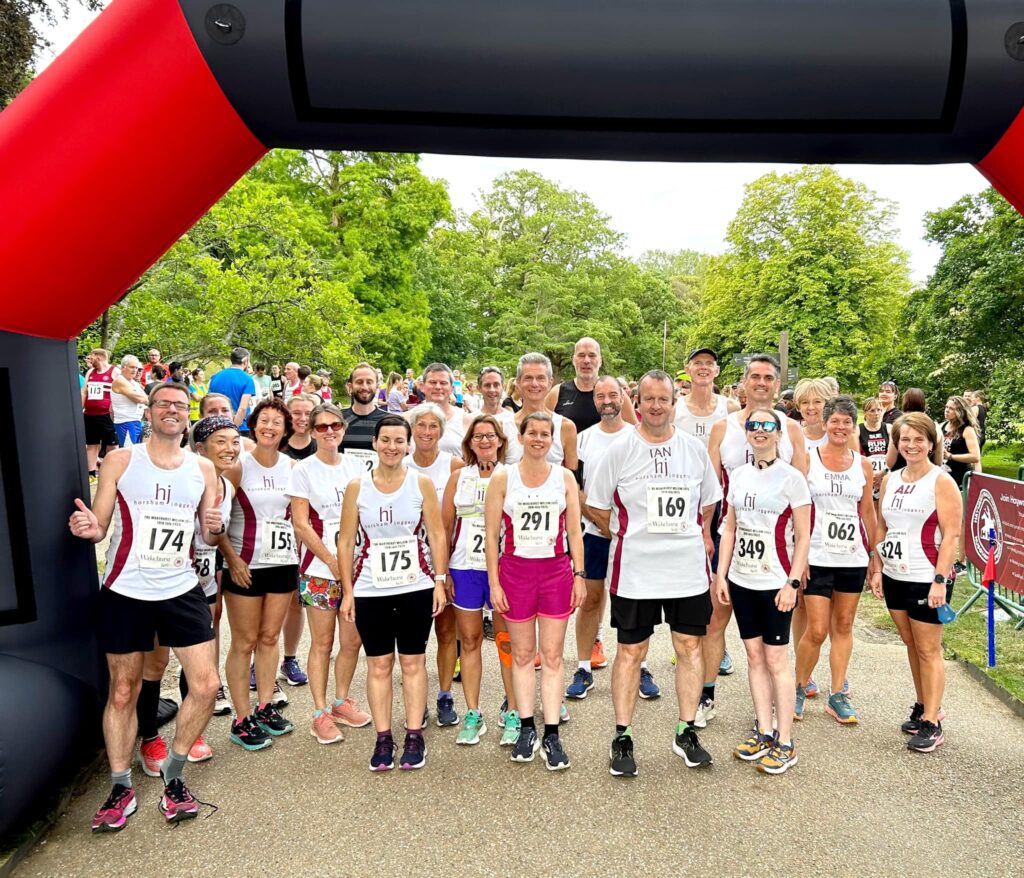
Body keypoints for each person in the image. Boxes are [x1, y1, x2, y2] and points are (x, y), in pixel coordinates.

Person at [68, 382, 223, 831]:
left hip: (181, 587)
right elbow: (99, 527)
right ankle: (120, 786)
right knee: (123, 690)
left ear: (187, 415)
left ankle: (174, 775)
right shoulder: (120, 459)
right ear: (149, 411)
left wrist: (213, 528)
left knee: (207, 684)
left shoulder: (203, 469)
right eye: (163, 404)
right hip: (126, 589)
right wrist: (87, 527)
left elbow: (207, 537)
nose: (172, 411)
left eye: (179, 405)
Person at [585, 371, 721, 776]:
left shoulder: (693, 449)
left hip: (686, 570)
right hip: (636, 570)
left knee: (690, 649)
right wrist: (626, 533)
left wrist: (697, 534)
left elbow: (709, 501)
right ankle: (623, 736)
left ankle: (686, 729)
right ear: (637, 402)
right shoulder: (620, 449)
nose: (657, 406)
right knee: (631, 652)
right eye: (649, 399)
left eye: (664, 399)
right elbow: (595, 505)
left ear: (673, 403)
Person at [338, 416, 449, 771]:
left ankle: (414, 734)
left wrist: (440, 580)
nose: (391, 447)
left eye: (399, 441)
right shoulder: (357, 486)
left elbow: (437, 534)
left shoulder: (421, 483)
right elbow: (345, 541)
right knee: (379, 663)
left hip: (416, 585)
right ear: (374, 443)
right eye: (385, 440)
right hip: (371, 588)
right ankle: (383, 737)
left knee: (413, 662)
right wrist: (348, 591)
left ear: (408, 445)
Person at [707, 354, 808, 719]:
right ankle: (707, 693)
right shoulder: (724, 428)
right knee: (717, 621)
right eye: (755, 377)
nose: (762, 383)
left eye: (769, 377)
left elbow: (800, 498)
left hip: (778, 550)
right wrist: (708, 538)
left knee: (773, 642)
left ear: (777, 385)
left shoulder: (791, 430)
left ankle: (774, 720)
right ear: (744, 382)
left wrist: (799, 566)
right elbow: (711, 491)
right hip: (731, 538)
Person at [486, 412, 585, 770]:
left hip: (556, 571)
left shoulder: (564, 477)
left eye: (546, 434)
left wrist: (579, 574)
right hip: (516, 573)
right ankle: (527, 726)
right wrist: (494, 582)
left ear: (552, 439)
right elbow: (492, 536)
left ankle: (553, 733)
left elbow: (574, 532)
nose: (539, 439)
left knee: (554, 657)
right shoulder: (503, 477)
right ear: (521, 435)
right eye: (533, 433)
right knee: (523, 655)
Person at [715, 406, 810, 774]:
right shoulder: (738, 475)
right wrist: (722, 575)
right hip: (742, 580)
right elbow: (730, 529)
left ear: (779, 433)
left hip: (776, 583)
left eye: (767, 426)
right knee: (753, 657)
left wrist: (793, 582)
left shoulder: (792, 478)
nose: (760, 432)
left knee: (775, 660)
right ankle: (764, 730)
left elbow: (803, 537)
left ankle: (785, 742)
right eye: (753, 426)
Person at [871, 413, 961, 752]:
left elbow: (951, 535)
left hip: (927, 577)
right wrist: (877, 567)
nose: (911, 445)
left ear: (931, 442)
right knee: (911, 644)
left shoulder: (941, 481)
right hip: (896, 573)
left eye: (919, 439)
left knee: (928, 648)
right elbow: (882, 527)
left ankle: (933, 721)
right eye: (905, 439)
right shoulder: (891, 479)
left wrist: (940, 580)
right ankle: (923, 704)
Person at [288, 404, 371, 744]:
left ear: (343, 427)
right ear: (311, 430)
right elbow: (301, 524)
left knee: (352, 641)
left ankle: (340, 701)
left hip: (356, 569)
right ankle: (319, 712)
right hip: (320, 569)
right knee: (322, 642)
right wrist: (334, 561)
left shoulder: (358, 466)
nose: (329, 432)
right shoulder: (303, 470)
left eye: (334, 425)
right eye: (321, 427)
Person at [221, 398, 298, 751]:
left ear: (286, 430)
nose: (269, 426)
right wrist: (231, 559)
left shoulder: (293, 467)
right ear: (254, 425)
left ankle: (265, 706)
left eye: (276, 422)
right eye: (264, 420)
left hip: (282, 563)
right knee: (244, 641)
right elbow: (216, 518)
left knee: (269, 638)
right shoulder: (238, 467)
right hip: (245, 564)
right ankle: (241, 717)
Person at [795, 395, 876, 725]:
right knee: (815, 629)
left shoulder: (863, 465)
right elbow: (797, 509)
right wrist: (798, 559)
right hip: (817, 556)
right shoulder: (808, 460)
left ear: (852, 426)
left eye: (846, 421)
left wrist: (875, 557)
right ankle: (798, 688)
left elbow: (867, 512)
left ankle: (838, 693)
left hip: (852, 557)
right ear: (825, 423)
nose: (840, 427)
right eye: (835, 421)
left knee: (843, 625)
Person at [674, 347, 740, 692]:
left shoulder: (728, 408)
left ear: (716, 371)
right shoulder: (677, 409)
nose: (703, 369)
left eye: (708, 364)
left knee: (719, 575)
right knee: (690, 573)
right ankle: (687, 639)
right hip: (684, 502)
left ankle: (719, 645)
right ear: (688, 370)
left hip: (718, 500)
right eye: (697, 364)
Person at [442, 414, 509, 745]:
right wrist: (442, 575)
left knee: (506, 642)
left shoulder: (511, 475)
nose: (484, 441)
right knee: (468, 641)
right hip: (465, 567)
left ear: (500, 440)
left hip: (503, 570)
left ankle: (513, 710)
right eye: (478, 436)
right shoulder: (458, 477)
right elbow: (443, 530)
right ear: (469, 442)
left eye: (490, 435)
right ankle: (473, 712)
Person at [566, 376, 631, 701]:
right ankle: (583, 667)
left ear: (623, 397)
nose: (607, 401)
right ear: (594, 401)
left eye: (612, 395)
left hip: (632, 536)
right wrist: (601, 522)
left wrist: (620, 527)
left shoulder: (637, 436)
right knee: (590, 600)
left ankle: (640, 665)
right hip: (594, 533)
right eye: (601, 396)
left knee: (632, 604)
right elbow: (575, 489)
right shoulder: (583, 440)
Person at [185, 415, 242, 760]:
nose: (230, 449)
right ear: (200, 446)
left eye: (234, 442)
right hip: (174, 580)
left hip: (205, 578)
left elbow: (216, 535)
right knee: (159, 661)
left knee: (200, 652)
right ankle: (151, 736)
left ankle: (194, 733)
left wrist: (229, 561)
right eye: (220, 441)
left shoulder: (227, 486)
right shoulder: (187, 479)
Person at [406, 402, 465, 725]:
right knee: (413, 637)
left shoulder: (455, 465)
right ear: (412, 430)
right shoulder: (399, 464)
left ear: (442, 432)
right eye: (421, 426)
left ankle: (444, 695)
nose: (427, 432)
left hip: (447, 557)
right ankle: (416, 699)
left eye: (433, 427)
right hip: (408, 563)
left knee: (446, 632)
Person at [545, 336, 638, 431]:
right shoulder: (557, 393)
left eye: (592, 355)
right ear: (573, 360)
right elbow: (540, 428)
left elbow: (635, 433)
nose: (586, 361)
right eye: (581, 355)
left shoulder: (616, 394)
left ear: (600, 361)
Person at [510, 353, 579, 472]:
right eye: (528, 378)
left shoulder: (565, 427)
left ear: (550, 382)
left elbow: (573, 478)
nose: (534, 384)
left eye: (541, 378)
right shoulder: (503, 426)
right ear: (518, 383)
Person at [340, 362, 388, 466]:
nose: (364, 387)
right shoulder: (337, 419)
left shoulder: (389, 421)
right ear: (350, 386)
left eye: (369, 382)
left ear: (377, 386)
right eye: (359, 382)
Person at [82, 348, 119, 479]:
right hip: (90, 414)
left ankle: (111, 471)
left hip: (105, 414)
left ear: (100, 357)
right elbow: (84, 391)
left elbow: (119, 390)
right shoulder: (90, 372)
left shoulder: (114, 371)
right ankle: (91, 473)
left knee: (112, 444)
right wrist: (80, 409)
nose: (89, 361)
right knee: (92, 444)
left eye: (91, 358)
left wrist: (113, 409)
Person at [420, 363, 468, 457]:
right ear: (422, 387)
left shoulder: (466, 420)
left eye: (443, 383)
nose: (438, 387)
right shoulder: (406, 420)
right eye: (433, 382)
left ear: (452, 389)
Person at [208, 347, 256, 433]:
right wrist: (233, 429)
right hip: (241, 427)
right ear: (245, 361)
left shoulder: (215, 377)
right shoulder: (247, 379)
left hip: (217, 425)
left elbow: (209, 402)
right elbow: (242, 408)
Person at [939, 396, 981, 489]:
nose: (947, 410)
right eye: (946, 407)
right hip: (943, 476)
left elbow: (975, 457)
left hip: (960, 479)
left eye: (951, 408)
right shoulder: (942, 426)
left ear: (960, 412)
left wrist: (950, 456)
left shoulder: (967, 430)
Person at [110, 355, 148, 447]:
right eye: (132, 367)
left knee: (136, 451)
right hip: (126, 421)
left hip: (135, 420)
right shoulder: (120, 381)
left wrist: (143, 399)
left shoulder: (133, 383)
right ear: (123, 367)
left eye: (136, 368)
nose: (135, 370)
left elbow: (145, 398)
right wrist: (143, 399)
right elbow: (138, 398)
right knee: (129, 452)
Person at [859, 397, 891, 503]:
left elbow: (895, 454)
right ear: (865, 413)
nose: (876, 413)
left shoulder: (889, 428)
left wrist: (883, 473)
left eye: (879, 410)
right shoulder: (858, 430)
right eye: (872, 410)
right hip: (867, 475)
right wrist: (870, 475)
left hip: (886, 473)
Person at [794, 377, 832, 452]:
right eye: (805, 402)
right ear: (798, 407)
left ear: (827, 404)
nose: (811, 407)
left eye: (817, 401)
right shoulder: (792, 437)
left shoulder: (837, 435)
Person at [283, 393, 318, 462]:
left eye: (308, 414)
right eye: (296, 413)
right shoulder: (276, 447)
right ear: (287, 415)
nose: (303, 418)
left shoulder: (322, 448)